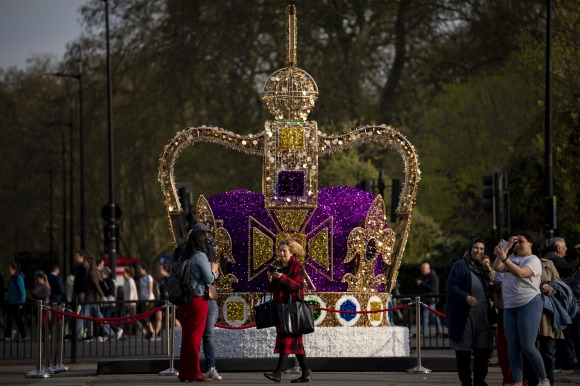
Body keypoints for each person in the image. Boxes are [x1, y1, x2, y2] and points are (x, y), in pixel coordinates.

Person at [493, 231, 550, 386]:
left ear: (530, 243)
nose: (518, 245)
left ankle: (544, 379)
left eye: (521, 242)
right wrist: (506, 247)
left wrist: (505, 258)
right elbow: (497, 267)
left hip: (529, 303)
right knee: (513, 347)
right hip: (510, 306)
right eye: (516, 242)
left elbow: (520, 273)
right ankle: (517, 382)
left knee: (527, 346)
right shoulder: (512, 257)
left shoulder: (533, 260)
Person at [446, 238, 494, 386]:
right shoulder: (460, 265)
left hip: (483, 314)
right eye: (476, 248)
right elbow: (451, 286)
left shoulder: (484, 268)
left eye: (481, 249)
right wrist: (465, 297)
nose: (479, 251)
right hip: (465, 314)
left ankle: (480, 380)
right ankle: (466, 381)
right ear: (470, 248)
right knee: (463, 352)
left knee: (483, 350)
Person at [264, 238, 311, 383]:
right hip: (280, 308)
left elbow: (297, 286)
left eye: (284, 251)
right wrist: (270, 280)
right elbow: (270, 289)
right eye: (280, 251)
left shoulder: (297, 267)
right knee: (297, 345)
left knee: (286, 340)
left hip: (293, 309)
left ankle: (277, 373)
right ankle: (305, 374)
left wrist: (282, 277)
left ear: (291, 252)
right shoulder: (277, 266)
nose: (281, 253)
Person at [177, 224, 219, 383]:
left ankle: (185, 372)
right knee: (195, 338)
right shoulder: (200, 256)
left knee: (187, 338)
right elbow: (209, 279)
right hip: (197, 299)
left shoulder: (185, 255)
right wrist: (214, 271)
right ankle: (195, 372)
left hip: (184, 301)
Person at [544, 237, 576, 371]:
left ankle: (563, 360)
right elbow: (571, 267)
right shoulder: (555, 260)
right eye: (565, 247)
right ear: (558, 248)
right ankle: (565, 361)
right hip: (556, 301)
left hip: (554, 301)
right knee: (564, 332)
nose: (566, 249)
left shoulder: (549, 258)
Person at [84, 255, 116, 342]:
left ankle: (81, 334)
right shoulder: (93, 272)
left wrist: (102, 296)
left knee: (83, 316)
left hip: (91, 298)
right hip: (94, 298)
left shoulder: (93, 272)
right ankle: (110, 332)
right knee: (99, 316)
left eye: (86, 261)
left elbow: (97, 285)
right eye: (102, 264)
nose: (103, 266)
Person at [416, 262, 443, 336]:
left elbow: (432, 288)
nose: (422, 270)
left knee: (426, 315)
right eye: (421, 269)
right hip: (428, 299)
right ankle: (439, 331)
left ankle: (422, 331)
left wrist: (422, 283)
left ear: (428, 269)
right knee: (434, 316)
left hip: (431, 300)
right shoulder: (425, 276)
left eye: (423, 269)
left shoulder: (433, 277)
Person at [4, 263, 27, 342]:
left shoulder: (18, 278)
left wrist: (22, 302)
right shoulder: (13, 278)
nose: (8, 271)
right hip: (11, 302)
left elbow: (22, 291)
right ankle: (7, 336)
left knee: (17, 320)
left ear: (14, 269)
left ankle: (23, 336)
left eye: (10, 269)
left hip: (16, 303)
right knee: (10, 319)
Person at [137, 263, 156, 340]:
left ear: (144, 269)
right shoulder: (141, 279)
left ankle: (152, 332)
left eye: (140, 269)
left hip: (149, 300)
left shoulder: (149, 277)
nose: (139, 271)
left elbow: (150, 289)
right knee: (142, 317)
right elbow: (141, 290)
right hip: (143, 299)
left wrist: (148, 299)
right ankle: (149, 332)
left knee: (146, 317)